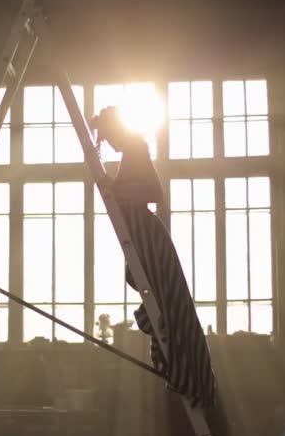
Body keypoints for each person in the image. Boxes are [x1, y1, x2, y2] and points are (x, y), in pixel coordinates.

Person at [90, 106, 217, 409]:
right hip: (140, 235)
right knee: (164, 303)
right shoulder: (131, 151)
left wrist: (115, 190)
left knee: (170, 303)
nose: (108, 141)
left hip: (147, 234)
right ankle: (185, 368)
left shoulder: (136, 147)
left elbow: (153, 191)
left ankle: (189, 372)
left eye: (108, 135)